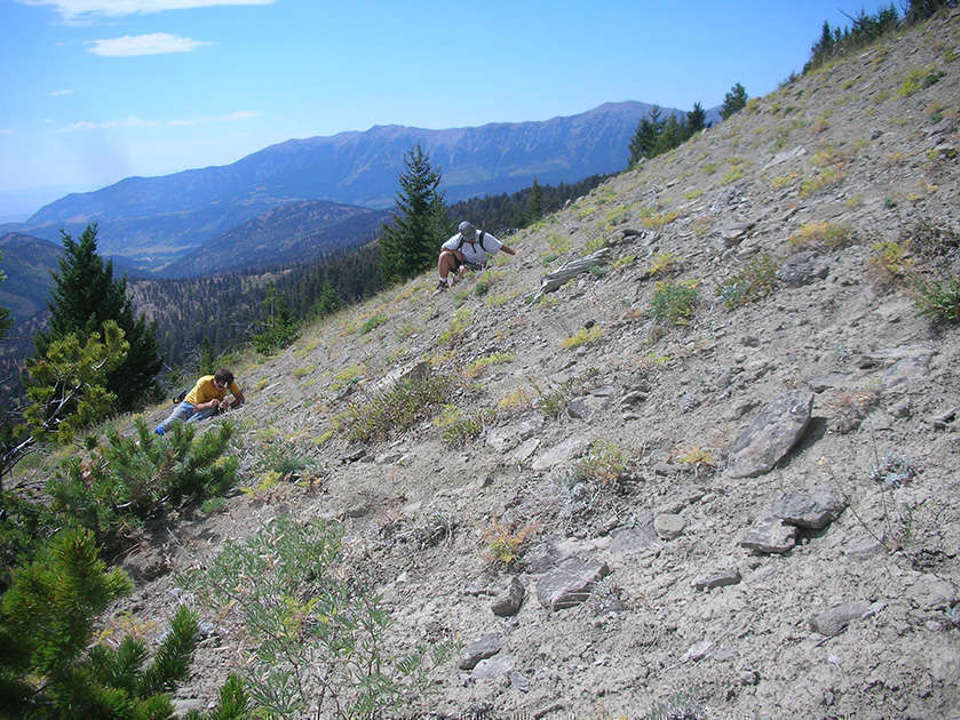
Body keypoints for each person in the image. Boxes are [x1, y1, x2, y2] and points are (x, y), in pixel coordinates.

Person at [434, 220, 518, 293]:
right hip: (462, 262)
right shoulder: (458, 238)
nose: (470, 239)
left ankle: (456, 283)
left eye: (471, 236)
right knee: (444, 256)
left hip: (478, 265)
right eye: (468, 238)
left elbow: (500, 246)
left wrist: (514, 254)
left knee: (463, 270)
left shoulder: (484, 237)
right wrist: (455, 252)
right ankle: (443, 283)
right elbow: (443, 248)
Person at [155, 367, 245, 435]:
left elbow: (241, 399)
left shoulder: (228, 382)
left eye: (226, 387)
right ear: (214, 380)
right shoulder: (203, 382)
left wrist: (227, 406)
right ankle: (150, 438)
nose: (222, 390)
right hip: (190, 403)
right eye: (220, 387)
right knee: (171, 422)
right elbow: (197, 406)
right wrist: (209, 404)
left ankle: (184, 430)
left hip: (210, 407)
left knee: (195, 420)